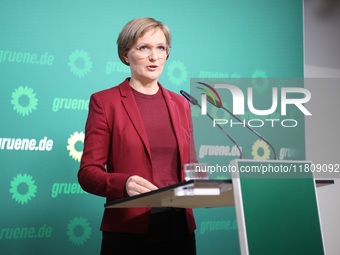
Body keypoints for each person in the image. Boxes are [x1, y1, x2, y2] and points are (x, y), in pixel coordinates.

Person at [78, 17, 198, 254]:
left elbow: (191, 166)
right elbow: (87, 173)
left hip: (180, 229)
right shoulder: (105, 102)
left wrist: (203, 184)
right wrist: (123, 184)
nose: (154, 57)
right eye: (144, 48)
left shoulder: (181, 104)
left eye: (161, 48)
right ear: (125, 54)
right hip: (129, 232)